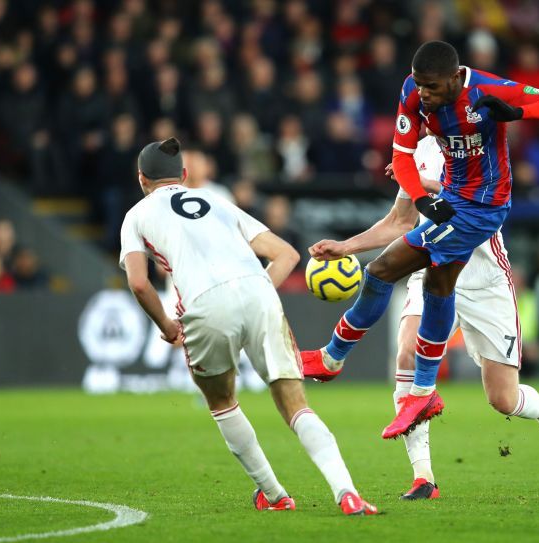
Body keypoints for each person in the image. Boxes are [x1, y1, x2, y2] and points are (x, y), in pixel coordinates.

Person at [301, 40, 539, 442]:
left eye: (432, 87)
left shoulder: (485, 90)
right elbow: (400, 161)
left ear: (453, 78)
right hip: (451, 207)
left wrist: (519, 111)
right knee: (431, 285)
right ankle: (420, 439)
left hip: (483, 211)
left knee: (382, 271)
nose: (424, 96)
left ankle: (335, 358)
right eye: (419, 86)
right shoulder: (413, 95)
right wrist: (420, 200)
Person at [309, 134, 539, 500]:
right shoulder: (417, 149)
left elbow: (472, 199)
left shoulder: (481, 144)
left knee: (502, 398)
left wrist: (424, 182)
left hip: (484, 280)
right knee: (406, 351)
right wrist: (346, 246)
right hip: (431, 265)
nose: (426, 104)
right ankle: (423, 477)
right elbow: (401, 221)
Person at [119, 138, 377, 515]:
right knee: (294, 403)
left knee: (222, 401)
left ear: (141, 179)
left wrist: (167, 325)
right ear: (185, 175)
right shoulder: (218, 201)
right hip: (259, 292)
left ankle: (275, 495)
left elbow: (139, 282)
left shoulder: (137, 215)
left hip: (204, 305)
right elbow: (287, 254)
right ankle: (347, 491)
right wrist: (254, 290)